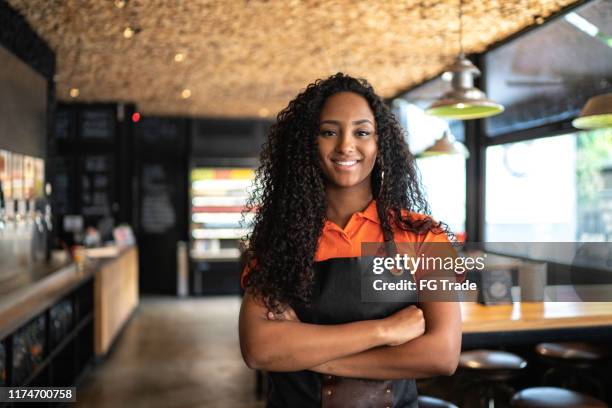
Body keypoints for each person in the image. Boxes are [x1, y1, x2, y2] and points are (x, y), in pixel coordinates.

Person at [239, 73, 462, 407]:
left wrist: (312, 357)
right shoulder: (280, 240)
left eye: (362, 132)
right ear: (307, 144)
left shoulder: (425, 235)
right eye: (329, 132)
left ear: (379, 143)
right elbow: (258, 349)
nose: (345, 145)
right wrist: (383, 331)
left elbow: (442, 354)